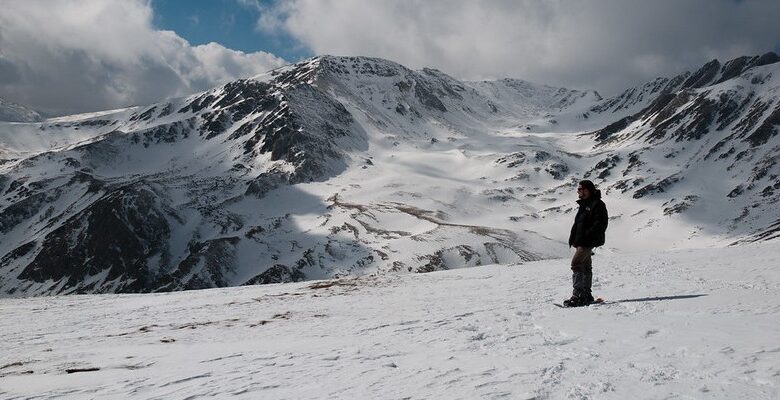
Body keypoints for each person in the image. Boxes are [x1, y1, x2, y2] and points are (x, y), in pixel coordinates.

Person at [563, 180, 608, 307]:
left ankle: (578, 295)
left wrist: (587, 236)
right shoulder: (584, 204)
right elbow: (578, 223)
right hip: (582, 241)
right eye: (578, 189)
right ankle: (586, 295)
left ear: (588, 189)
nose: (579, 191)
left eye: (581, 189)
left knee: (576, 264)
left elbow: (600, 224)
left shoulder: (597, 204)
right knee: (586, 266)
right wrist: (573, 238)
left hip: (587, 241)